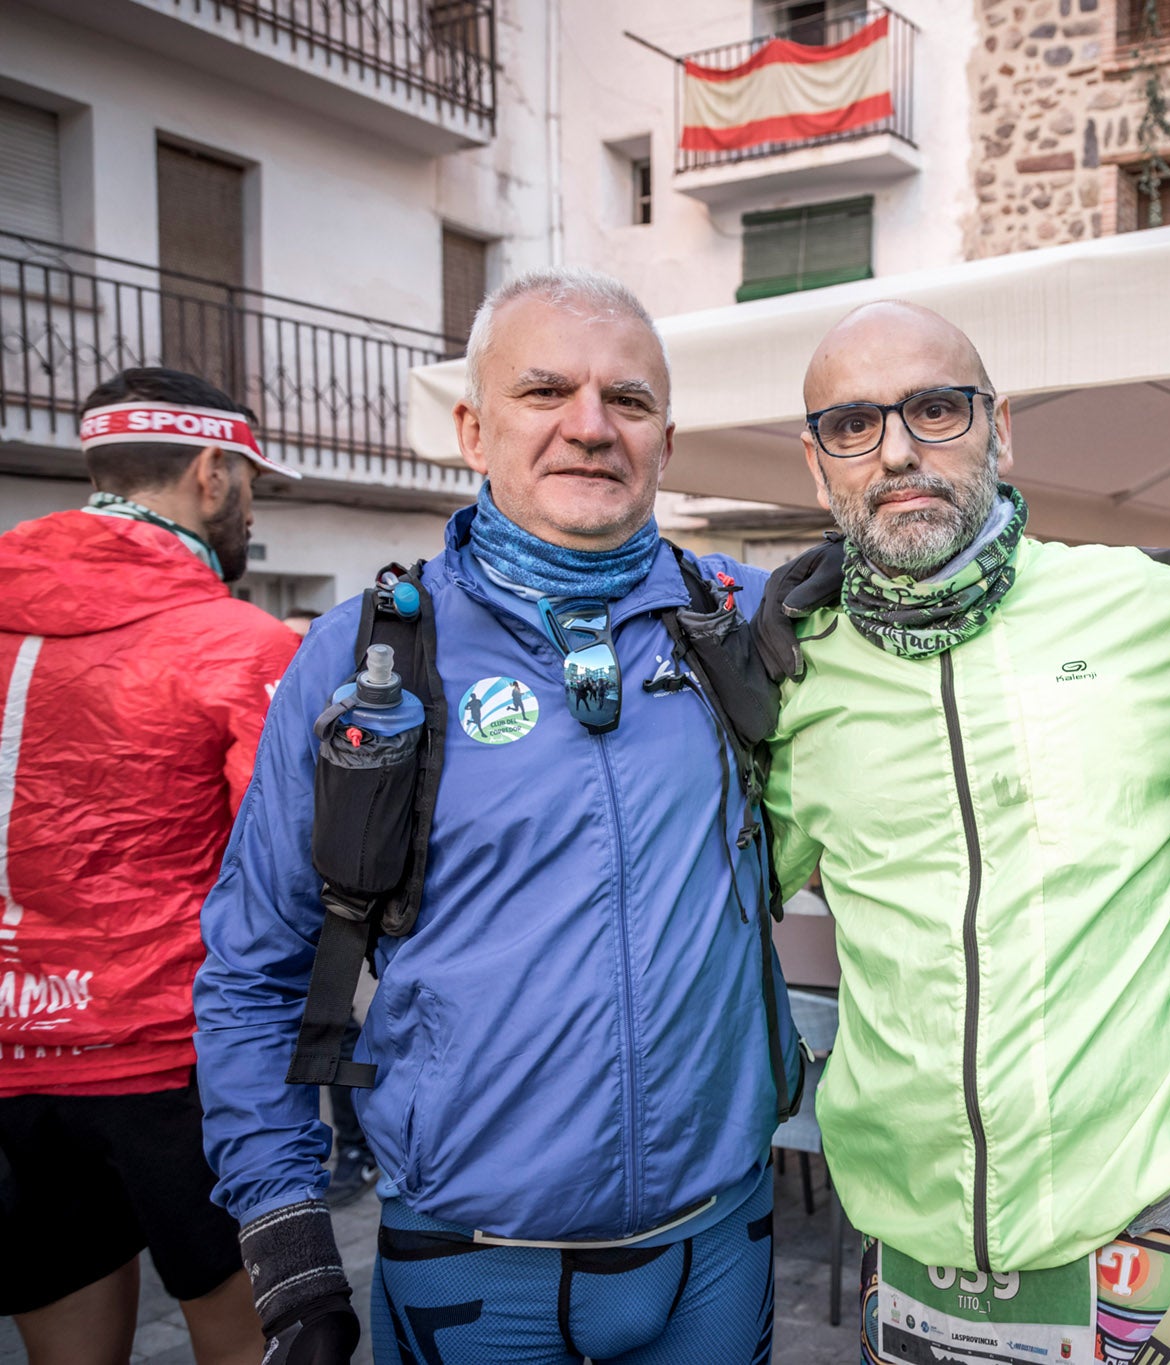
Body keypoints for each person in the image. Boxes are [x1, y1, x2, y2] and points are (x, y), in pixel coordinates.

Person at [194, 268, 800, 1365]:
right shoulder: (367, 657)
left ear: (667, 437)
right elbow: (253, 967)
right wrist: (286, 1235)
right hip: (473, 1264)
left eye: (628, 399)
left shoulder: (748, 625)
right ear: (474, 429)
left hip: (719, 1242)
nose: (589, 427)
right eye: (544, 391)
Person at [755, 301, 1170, 1365]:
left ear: (1000, 430)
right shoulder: (797, 675)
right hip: (908, 1243)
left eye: (935, 409)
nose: (898, 450)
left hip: (1155, 1219)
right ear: (817, 469)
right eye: (854, 425)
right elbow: (712, 897)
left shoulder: (1155, 615)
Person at [0, 366, 300, 1365]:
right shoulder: (239, 641)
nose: (249, 514)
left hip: (11, 1061)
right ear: (214, 474)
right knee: (258, 1343)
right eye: (251, 487)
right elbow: (287, 869)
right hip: (176, 1061)